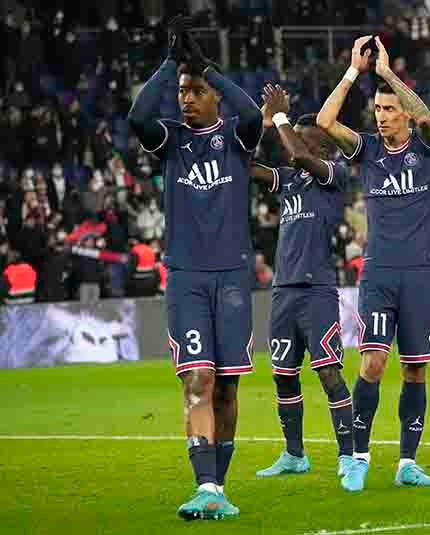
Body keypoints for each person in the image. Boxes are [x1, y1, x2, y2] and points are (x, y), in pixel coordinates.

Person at [127, 16, 262, 520]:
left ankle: (217, 486)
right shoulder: (171, 140)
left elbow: (252, 114)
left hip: (232, 277)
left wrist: (210, 68)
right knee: (199, 379)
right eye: (183, 92)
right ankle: (205, 484)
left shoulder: (235, 136)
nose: (186, 98)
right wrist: (170, 64)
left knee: (228, 385)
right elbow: (139, 117)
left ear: (214, 97)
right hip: (186, 277)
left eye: (197, 90)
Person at [317, 36, 430, 491]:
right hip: (378, 273)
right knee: (372, 363)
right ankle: (357, 454)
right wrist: (354, 71)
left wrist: (388, 75)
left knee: (416, 368)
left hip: (421, 274)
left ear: (404, 113)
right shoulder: (366, 149)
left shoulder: (427, 148)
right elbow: (324, 120)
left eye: (389, 110)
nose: (382, 116)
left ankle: (408, 463)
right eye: (377, 110)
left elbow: (427, 119)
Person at [249, 84, 354, 481]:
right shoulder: (290, 181)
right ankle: (294, 454)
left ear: (321, 151)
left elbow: (297, 153)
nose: (296, 152)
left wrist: (281, 118)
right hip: (284, 290)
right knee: (282, 373)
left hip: (317, 291)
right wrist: (260, 122)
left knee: (328, 373)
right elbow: (245, 165)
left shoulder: (334, 176)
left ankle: (348, 455)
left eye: (307, 143)